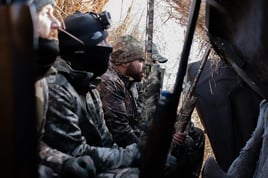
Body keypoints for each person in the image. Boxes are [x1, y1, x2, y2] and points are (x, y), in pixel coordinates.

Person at [31, 1, 96, 177]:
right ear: (19, 18)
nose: (57, 24)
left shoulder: (38, 80)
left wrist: (63, 162)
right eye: (45, 13)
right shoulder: (52, 82)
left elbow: (32, 145)